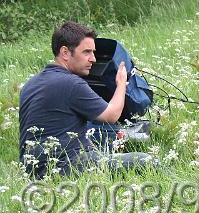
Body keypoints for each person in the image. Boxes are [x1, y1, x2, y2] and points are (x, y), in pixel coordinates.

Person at [19, 21, 153, 178]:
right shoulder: (71, 83)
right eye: (87, 52)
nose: (93, 59)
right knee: (145, 160)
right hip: (66, 165)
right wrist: (121, 83)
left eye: (94, 52)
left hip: (33, 170)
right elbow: (111, 116)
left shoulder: (31, 83)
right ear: (65, 53)